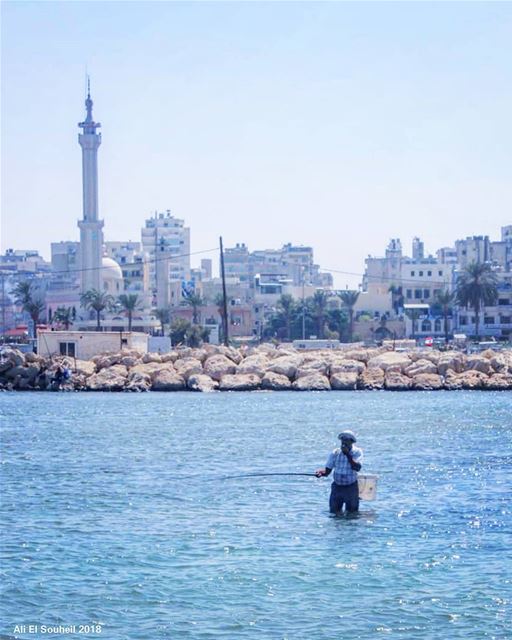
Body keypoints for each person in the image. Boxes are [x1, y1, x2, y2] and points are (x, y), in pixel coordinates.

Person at [315, 430, 363, 515]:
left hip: (351, 488)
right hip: (337, 488)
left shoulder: (357, 452)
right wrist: (321, 473)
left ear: (351, 441)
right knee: (334, 513)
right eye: (342, 439)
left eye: (346, 439)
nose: (344, 442)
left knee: (352, 514)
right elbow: (327, 471)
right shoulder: (335, 452)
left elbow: (357, 468)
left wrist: (348, 454)